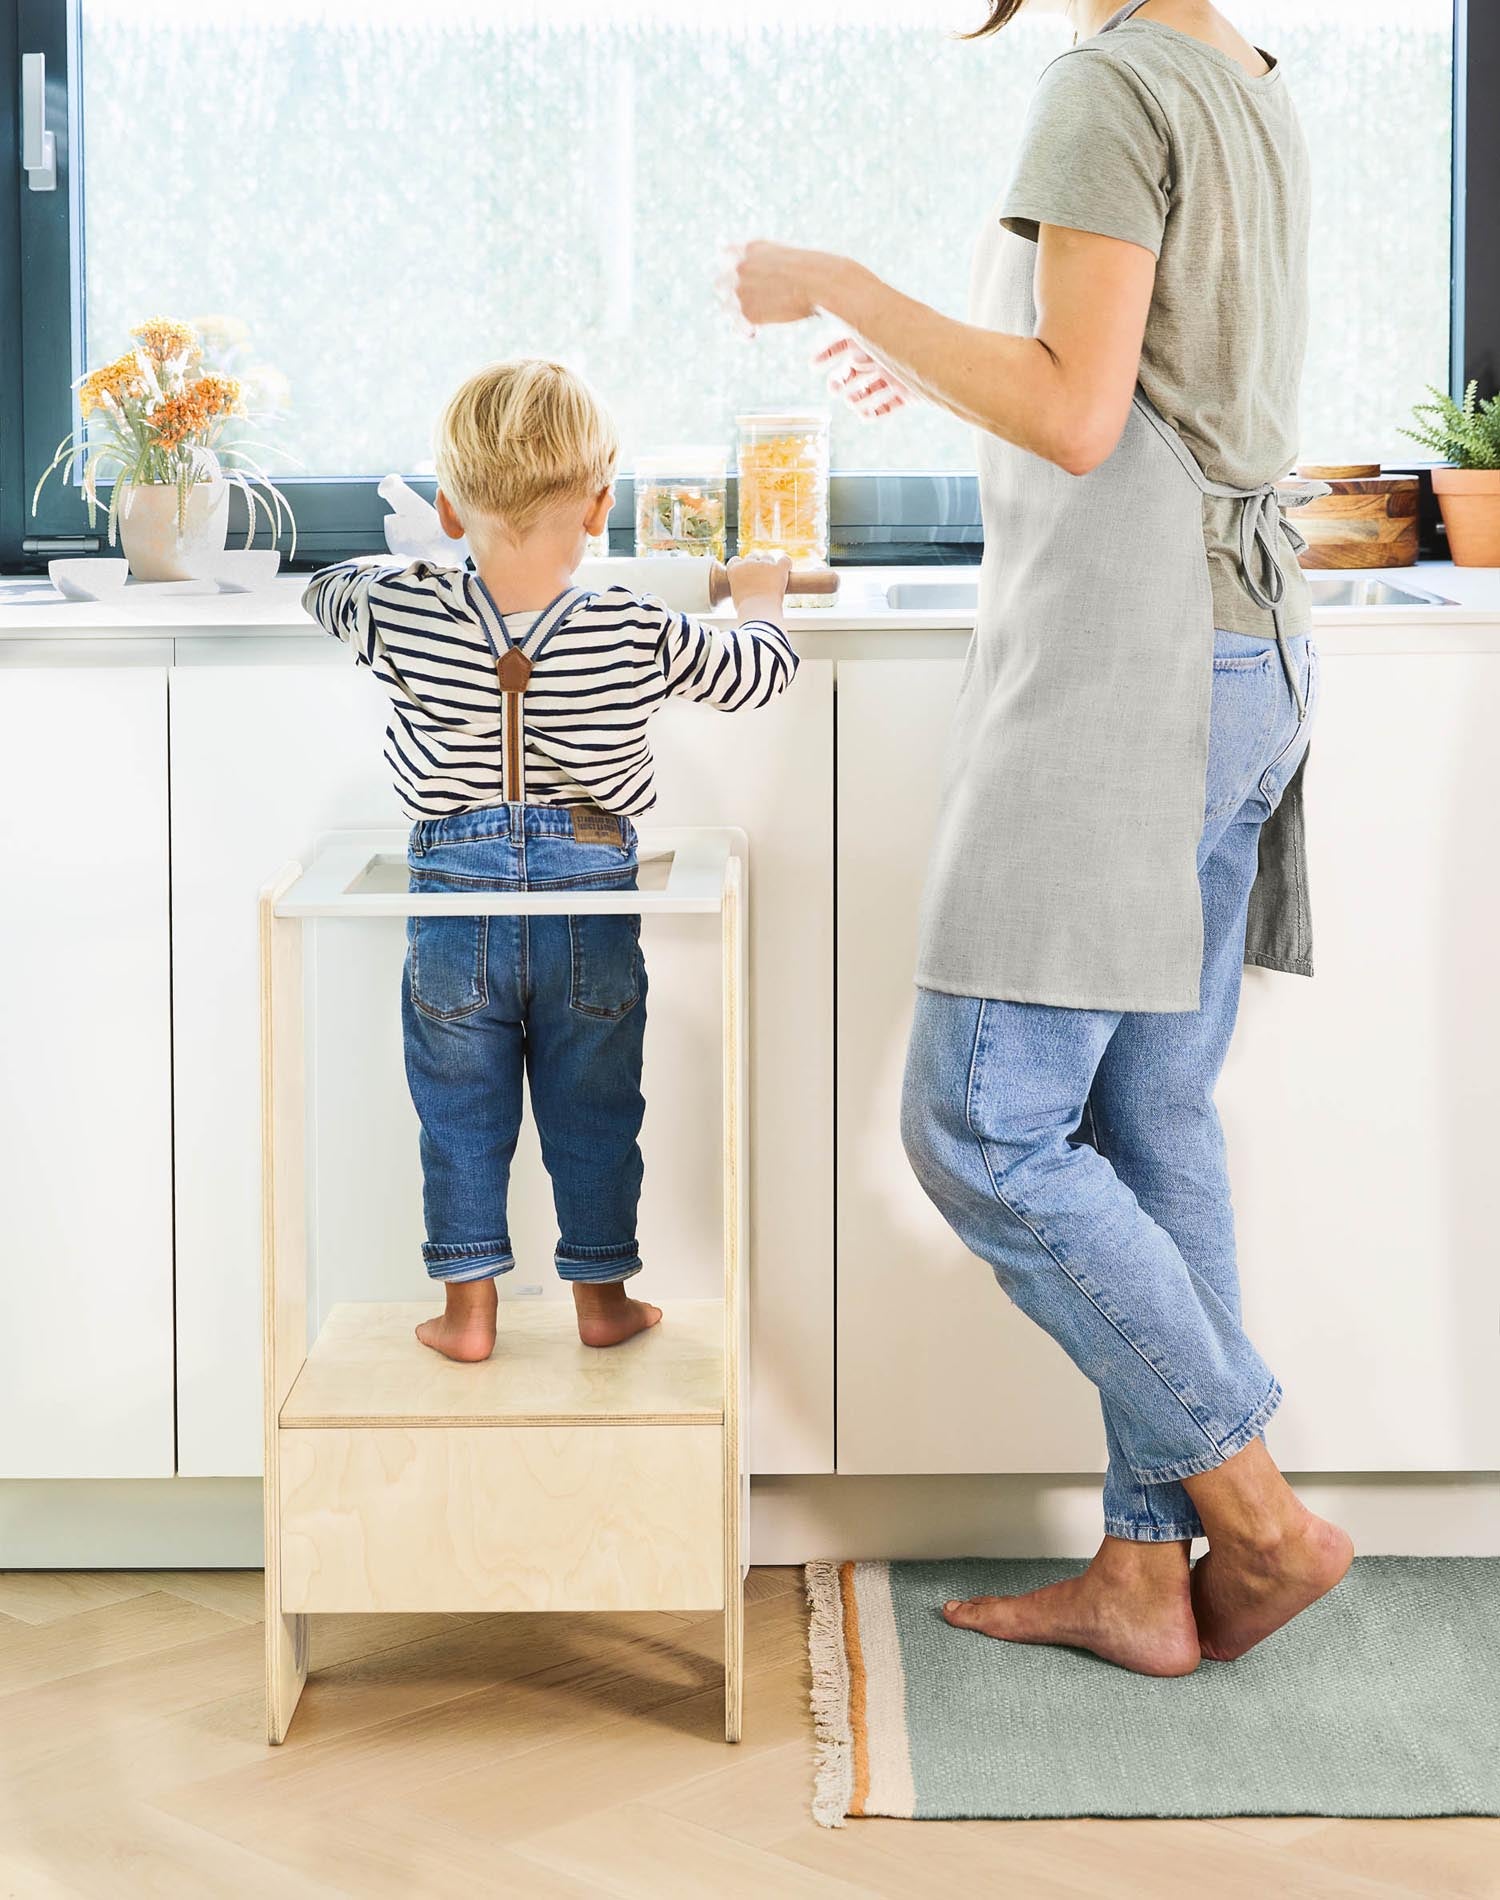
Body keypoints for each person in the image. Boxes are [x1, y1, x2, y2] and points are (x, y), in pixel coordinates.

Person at [728, 0, 1352, 1674]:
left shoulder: (1105, 82)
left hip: (1135, 681)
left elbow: (1081, 417)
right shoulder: (1238, 75)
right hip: (1240, 661)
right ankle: (1148, 1576)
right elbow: (1145, 393)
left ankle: (1264, 1520)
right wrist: (937, 367)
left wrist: (837, 280)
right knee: (1148, 1117)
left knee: (981, 1129)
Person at [303, 359, 795, 1363]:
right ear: (603, 505)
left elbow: (325, 588)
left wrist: (419, 565)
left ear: (448, 506)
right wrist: (761, 596)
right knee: (597, 1105)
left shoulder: (401, 612)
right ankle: (604, 1299)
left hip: (452, 899)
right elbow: (761, 674)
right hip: (590, 899)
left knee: (460, 1111)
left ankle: (470, 1311)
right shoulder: (634, 624)